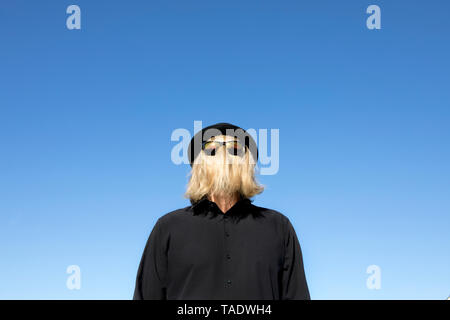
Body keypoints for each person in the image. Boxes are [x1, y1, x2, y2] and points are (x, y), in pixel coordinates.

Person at [133, 122, 310, 300]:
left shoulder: (278, 227)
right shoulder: (168, 228)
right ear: (199, 165)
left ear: (247, 164)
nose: (224, 154)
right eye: (211, 148)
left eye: (235, 148)